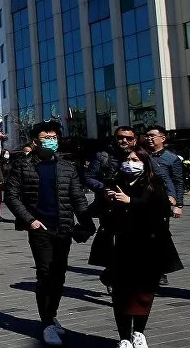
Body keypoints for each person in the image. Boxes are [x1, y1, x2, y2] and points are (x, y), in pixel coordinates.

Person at [4, 121, 94, 346]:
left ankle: (51, 315)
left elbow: (77, 197)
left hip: (63, 227)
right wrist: (30, 220)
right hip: (40, 229)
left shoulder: (66, 166)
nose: (51, 140)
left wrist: (86, 222)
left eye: (54, 137)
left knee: (59, 274)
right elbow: (11, 196)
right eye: (46, 137)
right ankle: (46, 323)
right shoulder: (22, 165)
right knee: (45, 274)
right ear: (35, 142)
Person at [88, 146, 182, 348]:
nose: (130, 163)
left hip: (148, 246)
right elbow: (98, 210)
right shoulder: (114, 183)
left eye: (136, 160)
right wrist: (107, 199)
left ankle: (138, 332)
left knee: (144, 292)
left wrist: (131, 201)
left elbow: (161, 210)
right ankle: (124, 336)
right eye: (128, 159)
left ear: (145, 163)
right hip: (120, 246)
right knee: (121, 293)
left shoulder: (154, 184)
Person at [143, 125, 183, 286]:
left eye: (153, 136)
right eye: (147, 136)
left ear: (163, 138)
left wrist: (179, 203)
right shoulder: (141, 155)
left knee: (159, 236)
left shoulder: (171, 158)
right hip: (143, 201)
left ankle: (161, 271)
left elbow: (178, 182)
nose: (149, 138)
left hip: (163, 203)